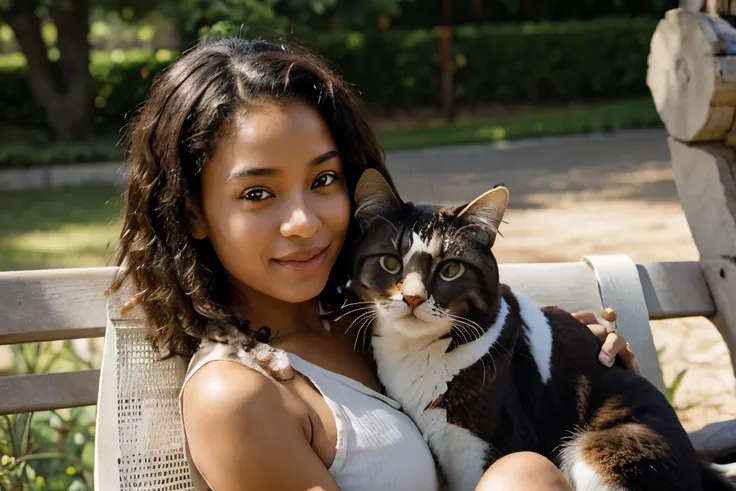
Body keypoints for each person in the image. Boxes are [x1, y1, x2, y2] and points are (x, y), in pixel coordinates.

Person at [109, 36, 637, 491]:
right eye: (257, 193)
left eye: (323, 181)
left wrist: (572, 362)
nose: (303, 222)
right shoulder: (239, 394)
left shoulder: (366, 321)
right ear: (194, 213)